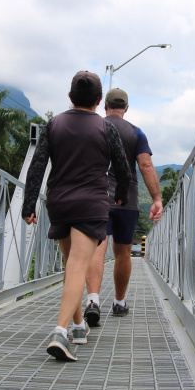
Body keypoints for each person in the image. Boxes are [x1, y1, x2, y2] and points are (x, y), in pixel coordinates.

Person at [22, 71, 131, 362]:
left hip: (59, 203)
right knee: (78, 265)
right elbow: (123, 168)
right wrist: (120, 193)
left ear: (70, 97)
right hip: (91, 204)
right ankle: (60, 332)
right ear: (99, 100)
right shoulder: (106, 128)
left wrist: (28, 204)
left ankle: (79, 326)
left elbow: (37, 166)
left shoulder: (53, 124)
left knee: (73, 266)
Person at [83, 87, 163, 326]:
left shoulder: (93, 127)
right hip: (127, 200)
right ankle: (119, 302)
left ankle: (93, 301)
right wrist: (157, 198)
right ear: (126, 108)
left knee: (98, 246)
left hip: (97, 197)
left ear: (104, 105)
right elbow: (146, 166)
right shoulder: (136, 133)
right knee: (123, 252)